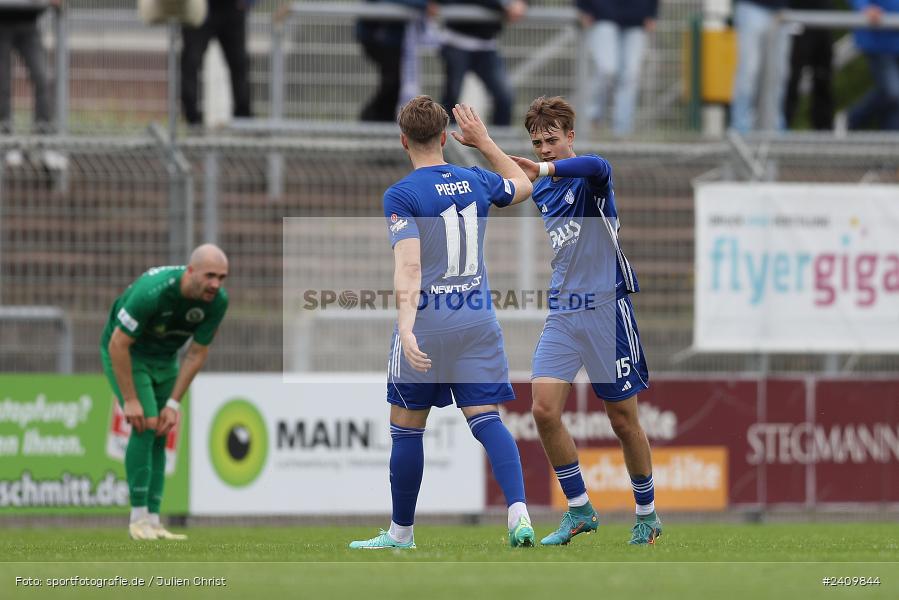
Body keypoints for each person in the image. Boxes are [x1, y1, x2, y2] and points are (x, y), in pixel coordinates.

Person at [349, 97, 534, 549]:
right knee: (488, 421)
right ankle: (519, 516)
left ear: (403, 140)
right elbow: (521, 185)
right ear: (447, 136)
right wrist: (487, 142)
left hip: (430, 326)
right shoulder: (475, 178)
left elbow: (409, 268)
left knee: (407, 426)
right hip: (477, 321)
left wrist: (407, 328)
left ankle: (402, 534)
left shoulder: (403, 194)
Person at [509, 96, 661, 545]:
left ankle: (647, 515)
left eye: (552, 140)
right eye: (537, 143)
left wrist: (545, 168)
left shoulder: (591, 178)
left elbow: (596, 164)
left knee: (622, 419)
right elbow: (517, 170)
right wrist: (482, 144)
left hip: (607, 310)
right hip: (564, 310)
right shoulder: (542, 184)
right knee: (542, 409)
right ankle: (579, 511)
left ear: (570, 136)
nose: (545, 149)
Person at [101, 244, 229, 540]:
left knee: (162, 429)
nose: (216, 284)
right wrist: (130, 400)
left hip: (165, 359)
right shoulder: (152, 292)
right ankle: (137, 520)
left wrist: (173, 403)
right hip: (128, 354)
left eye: (222, 277)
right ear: (190, 271)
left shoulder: (217, 302)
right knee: (144, 425)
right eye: (210, 276)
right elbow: (118, 344)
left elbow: (197, 353)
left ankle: (154, 521)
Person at [436, 0, 526, 126]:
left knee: (504, 96)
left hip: (487, 45)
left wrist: (521, 3)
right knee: (452, 97)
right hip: (456, 41)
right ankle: (443, 139)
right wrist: (505, 5)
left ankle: (497, 143)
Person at [576, 0, 658, 137]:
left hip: (637, 19)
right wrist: (583, 7)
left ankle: (622, 132)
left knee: (630, 76)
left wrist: (652, 12)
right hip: (601, 15)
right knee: (606, 69)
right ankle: (593, 118)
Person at [0, 0, 66, 170]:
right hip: (2, 23)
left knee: (43, 80)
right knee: (3, 87)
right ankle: (6, 143)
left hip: (29, 24)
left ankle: (44, 143)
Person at [181, 0, 253, 128]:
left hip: (232, 8)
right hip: (199, 8)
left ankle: (243, 120)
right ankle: (191, 120)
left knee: (240, 64)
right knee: (191, 62)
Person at [357, 0, 428, 122]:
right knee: (393, 80)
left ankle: (381, 121)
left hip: (396, 38)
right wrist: (423, 4)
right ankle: (372, 119)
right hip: (379, 36)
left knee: (395, 82)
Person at [730, 0, 791, 132]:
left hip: (781, 12)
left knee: (778, 75)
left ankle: (775, 125)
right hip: (752, 7)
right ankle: (740, 125)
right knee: (748, 72)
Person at [848, 0, 899, 131]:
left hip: (893, 37)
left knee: (890, 93)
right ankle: (853, 118)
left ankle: (890, 141)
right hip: (878, 37)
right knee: (893, 93)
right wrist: (865, 7)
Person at [783, 0, 834, 130]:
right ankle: (782, 127)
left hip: (823, 19)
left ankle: (823, 131)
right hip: (797, 17)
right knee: (791, 79)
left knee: (823, 78)